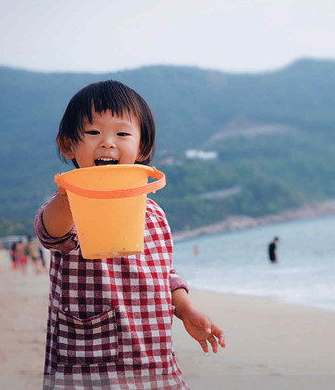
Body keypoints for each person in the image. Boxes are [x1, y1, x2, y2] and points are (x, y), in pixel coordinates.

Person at [35, 80, 225, 388]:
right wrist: (69, 196)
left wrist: (186, 309)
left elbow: (165, 273)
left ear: (143, 147)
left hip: (155, 361)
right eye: (93, 132)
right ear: (67, 144)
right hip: (90, 368)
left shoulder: (154, 214)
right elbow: (50, 233)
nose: (108, 143)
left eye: (122, 133)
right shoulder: (68, 209)